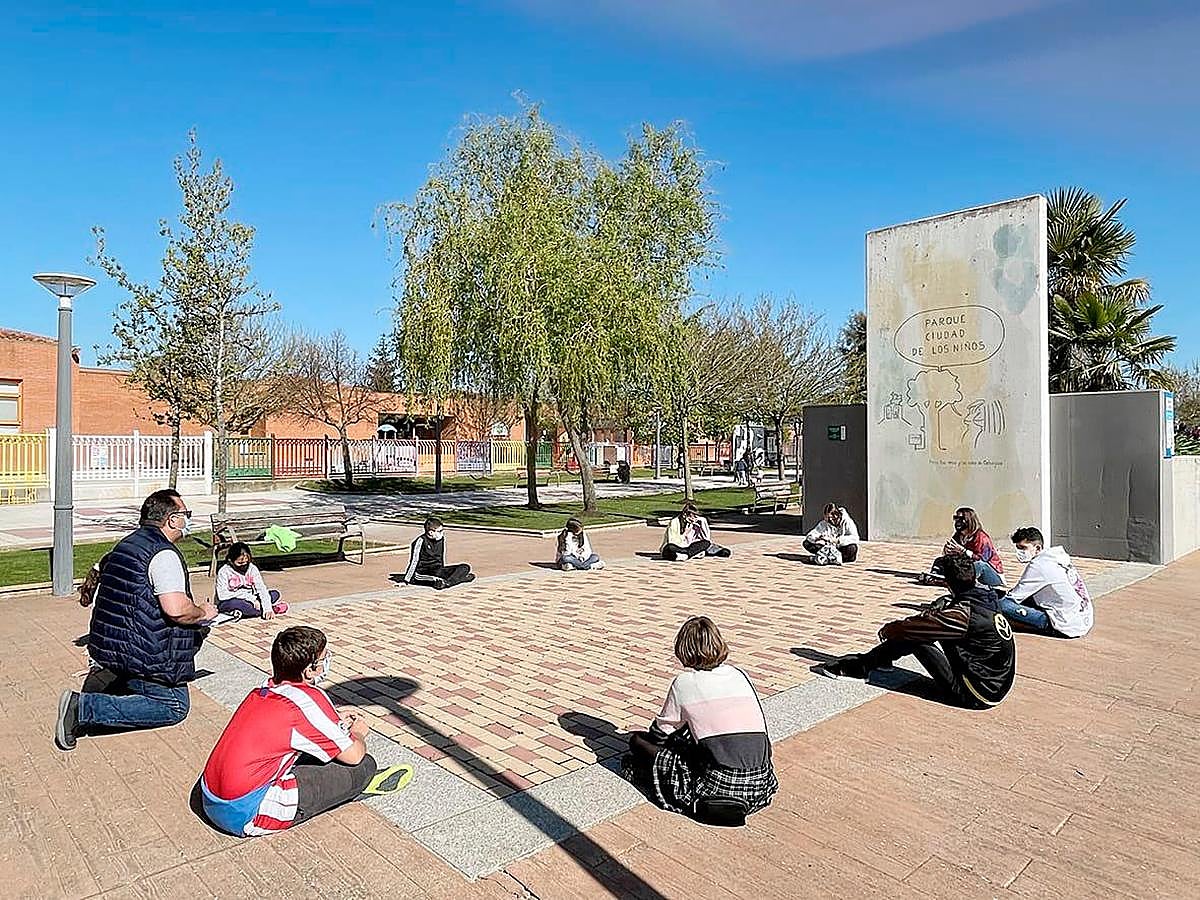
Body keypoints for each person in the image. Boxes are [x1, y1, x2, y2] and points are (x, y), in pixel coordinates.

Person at [55, 489, 217, 751]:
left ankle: (114, 686)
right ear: (173, 520)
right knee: (174, 706)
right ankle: (82, 708)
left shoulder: (128, 543)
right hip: (143, 653)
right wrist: (204, 613)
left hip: (115, 648)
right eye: (186, 515)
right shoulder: (163, 554)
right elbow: (176, 609)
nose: (188, 520)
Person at [199, 626, 377, 836]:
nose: (327, 662)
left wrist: (332, 718)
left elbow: (295, 721)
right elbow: (354, 755)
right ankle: (341, 793)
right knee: (364, 766)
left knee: (313, 750)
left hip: (210, 796)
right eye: (324, 658)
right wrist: (358, 733)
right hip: (246, 812)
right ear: (308, 670)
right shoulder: (308, 698)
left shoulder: (262, 691)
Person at [625, 616, 777, 825]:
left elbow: (660, 734)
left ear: (683, 649)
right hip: (761, 783)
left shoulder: (683, 683)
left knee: (638, 742)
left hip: (717, 784)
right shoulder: (739, 674)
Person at [815, 554, 1016, 709]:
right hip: (997, 685)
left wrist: (889, 629)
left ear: (946, 582)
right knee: (927, 625)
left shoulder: (962, 614)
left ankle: (860, 667)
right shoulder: (986, 600)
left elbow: (912, 627)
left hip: (975, 694)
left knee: (914, 635)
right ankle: (879, 661)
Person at [1000, 527, 1094, 638]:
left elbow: (1013, 598)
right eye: (1017, 548)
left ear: (1037, 548)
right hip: (1083, 619)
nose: (1020, 552)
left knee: (1002, 605)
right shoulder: (1057, 558)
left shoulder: (1038, 565)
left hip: (1065, 626)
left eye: (1023, 548)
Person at [921, 507, 1005, 588]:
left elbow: (982, 560)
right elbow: (953, 553)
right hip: (969, 570)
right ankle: (934, 577)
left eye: (961, 519)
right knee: (941, 560)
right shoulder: (958, 535)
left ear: (969, 520)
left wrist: (964, 551)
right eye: (956, 518)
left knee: (978, 565)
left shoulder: (982, 538)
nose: (957, 521)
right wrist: (948, 552)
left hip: (992, 575)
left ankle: (954, 582)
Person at [215, 542, 288, 619]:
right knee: (236, 604)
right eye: (240, 563)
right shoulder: (224, 571)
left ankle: (259, 609)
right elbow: (222, 595)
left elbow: (261, 589)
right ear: (230, 560)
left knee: (274, 594)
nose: (244, 566)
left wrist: (267, 609)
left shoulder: (252, 568)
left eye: (246, 562)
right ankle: (266, 610)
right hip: (231, 600)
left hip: (252, 599)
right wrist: (251, 599)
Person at [401, 516, 475, 589]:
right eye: (439, 531)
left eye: (442, 530)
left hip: (437, 569)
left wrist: (443, 571)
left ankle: (449, 582)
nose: (442, 533)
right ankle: (457, 580)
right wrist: (406, 580)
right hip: (423, 573)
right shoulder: (420, 541)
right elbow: (414, 561)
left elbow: (440, 557)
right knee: (436, 580)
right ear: (431, 532)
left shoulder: (440, 539)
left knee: (465, 567)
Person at [660, 501, 732, 561]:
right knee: (670, 548)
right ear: (685, 515)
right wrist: (685, 533)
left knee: (710, 545)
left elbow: (706, 539)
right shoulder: (674, 522)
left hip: (689, 548)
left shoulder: (695, 524)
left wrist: (703, 522)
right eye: (693, 516)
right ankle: (691, 554)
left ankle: (688, 555)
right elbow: (673, 542)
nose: (694, 519)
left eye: (696, 516)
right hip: (676, 547)